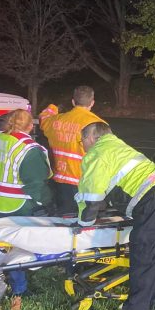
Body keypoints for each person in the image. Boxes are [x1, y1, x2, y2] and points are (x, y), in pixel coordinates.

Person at [76, 122, 155, 310]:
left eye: (82, 141)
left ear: (91, 138)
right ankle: (154, 302)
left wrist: (83, 224)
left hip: (152, 200)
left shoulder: (96, 153)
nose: (83, 146)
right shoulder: (118, 146)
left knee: (145, 255)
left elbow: (91, 198)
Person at [0, 108, 54, 301]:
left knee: (1, 244)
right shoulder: (29, 149)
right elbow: (36, 184)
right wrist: (46, 203)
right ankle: (19, 289)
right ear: (30, 126)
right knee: (17, 247)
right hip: (16, 205)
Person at [39, 86, 106, 214]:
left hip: (59, 182)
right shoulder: (99, 125)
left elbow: (44, 117)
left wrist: (53, 107)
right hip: (84, 183)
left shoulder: (55, 121)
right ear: (92, 103)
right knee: (82, 221)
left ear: (73, 102)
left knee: (62, 218)